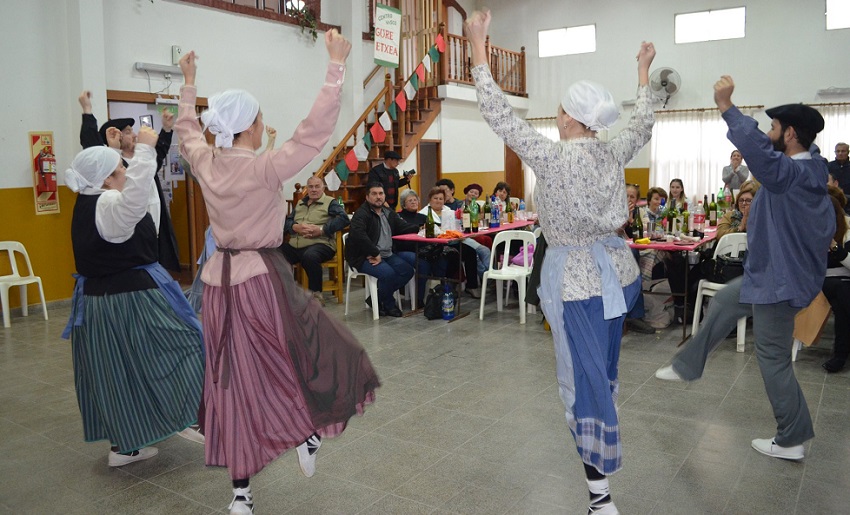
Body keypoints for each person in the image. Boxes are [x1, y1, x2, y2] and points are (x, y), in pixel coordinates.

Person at [175, 34, 380, 515]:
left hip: (217, 284)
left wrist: (188, 83)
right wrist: (334, 65)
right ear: (250, 126)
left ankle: (241, 494)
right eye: (261, 116)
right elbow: (313, 134)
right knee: (297, 357)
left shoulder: (206, 162)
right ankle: (307, 433)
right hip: (259, 279)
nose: (264, 122)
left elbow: (187, 132)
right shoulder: (263, 169)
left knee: (231, 379)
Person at [467, 10, 655, 514]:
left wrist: (480, 47)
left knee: (583, 380)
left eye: (560, 110)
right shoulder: (613, 153)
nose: (555, 115)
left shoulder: (552, 156)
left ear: (571, 117)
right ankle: (602, 457)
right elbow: (644, 121)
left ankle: (600, 495)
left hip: (578, 284)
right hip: (620, 276)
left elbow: (498, 114)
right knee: (604, 375)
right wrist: (643, 73)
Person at [656, 77, 835, 463]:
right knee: (723, 302)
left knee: (772, 358)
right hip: (772, 277)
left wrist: (726, 106)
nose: (768, 134)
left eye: (773, 128)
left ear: (789, 134)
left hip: (778, 284)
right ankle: (688, 366)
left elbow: (758, 152)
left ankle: (791, 438)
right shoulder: (808, 169)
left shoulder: (792, 175)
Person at [62, 138, 204, 468]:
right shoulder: (110, 202)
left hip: (99, 302)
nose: (125, 171)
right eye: (119, 168)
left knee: (115, 372)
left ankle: (124, 447)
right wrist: (144, 151)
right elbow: (136, 197)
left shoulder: (88, 200)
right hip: (131, 299)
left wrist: (128, 153)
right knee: (184, 346)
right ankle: (188, 415)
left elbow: (137, 199)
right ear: (105, 180)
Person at [78, 91, 181, 272]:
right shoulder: (113, 168)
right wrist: (87, 110)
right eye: (127, 132)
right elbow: (90, 145)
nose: (134, 135)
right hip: (133, 236)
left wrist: (166, 128)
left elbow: (161, 150)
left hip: (154, 231)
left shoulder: (143, 164)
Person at [346, 182, 419, 316]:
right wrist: (374, 252)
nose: (378, 197)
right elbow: (358, 235)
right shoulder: (362, 214)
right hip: (363, 256)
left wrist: (419, 228)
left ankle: (376, 299)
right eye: (374, 194)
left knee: (407, 271)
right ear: (367, 197)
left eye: (381, 193)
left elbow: (401, 226)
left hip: (387, 254)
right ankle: (390, 304)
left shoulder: (388, 212)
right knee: (388, 274)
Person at [280, 175, 349, 305]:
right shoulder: (300, 203)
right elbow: (287, 221)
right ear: (307, 188)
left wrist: (322, 229)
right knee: (275, 254)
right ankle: (283, 292)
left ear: (323, 188)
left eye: (317, 186)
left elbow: (343, 218)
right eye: (311, 187)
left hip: (321, 244)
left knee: (310, 256)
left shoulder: (330, 202)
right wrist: (295, 227)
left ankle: (316, 294)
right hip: (296, 243)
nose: (314, 189)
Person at [419, 187, 484, 298]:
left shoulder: (449, 211)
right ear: (430, 199)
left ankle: (471, 286)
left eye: (441, 198)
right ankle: (448, 286)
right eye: (435, 198)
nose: (438, 201)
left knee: (470, 252)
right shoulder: (423, 213)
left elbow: (457, 226)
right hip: (436, 246)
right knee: (452, 255)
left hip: (453, 241)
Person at [822, 185, 850, 373]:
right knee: (843, 292)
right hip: (821, 282)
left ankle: (840, 353)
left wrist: (834, 247)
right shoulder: (809, 230)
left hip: (845, 282)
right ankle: (841, 353)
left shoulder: (847, 229)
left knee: (843, 300)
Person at [829, 142, 850, 215]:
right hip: (833, 199)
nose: (840, 153)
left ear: (848, 152)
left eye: (843, 151)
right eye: (838, 151)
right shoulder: (829, 166)